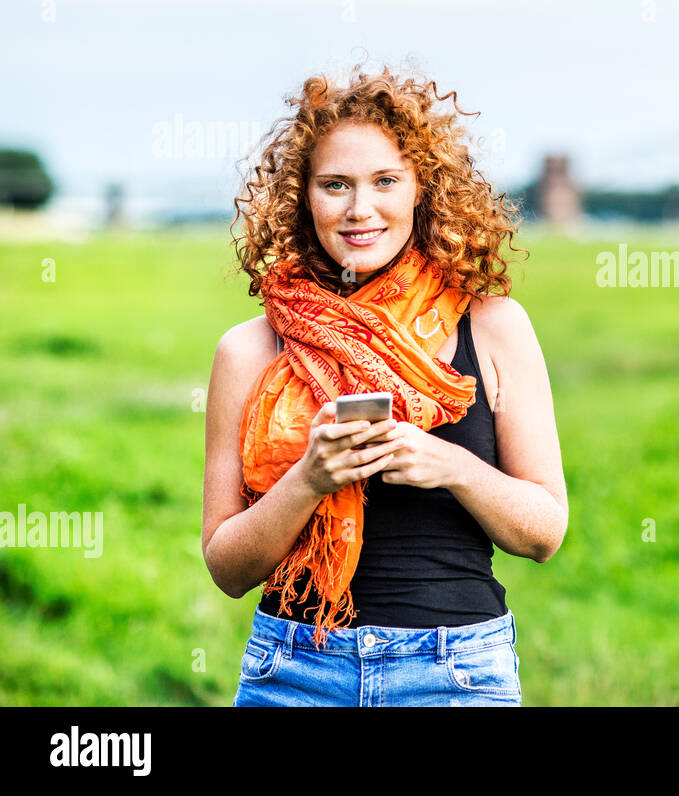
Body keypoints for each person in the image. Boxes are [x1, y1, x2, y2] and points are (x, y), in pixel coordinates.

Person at [200, 64, 567, 706]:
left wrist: (449, 465)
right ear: (302, 197)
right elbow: (228, 569)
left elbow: (542, 533)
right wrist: (309, 478)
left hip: (453, 674)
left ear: (422, 190)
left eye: (385, 181)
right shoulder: (248, 349)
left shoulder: (494, 326)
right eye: (335, 184)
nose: (359, 209)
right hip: (294, 673)